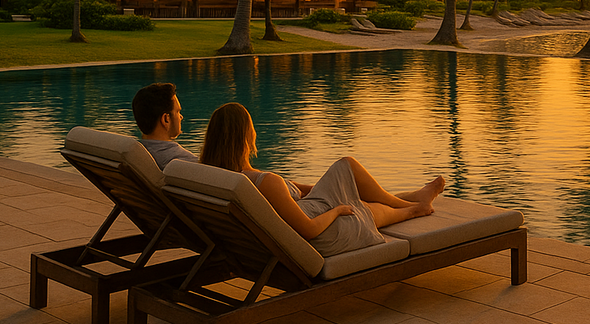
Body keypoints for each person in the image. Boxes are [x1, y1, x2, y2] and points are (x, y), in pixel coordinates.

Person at [199, 102, 445, 256]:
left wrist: (326, 190)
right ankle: (413, 208)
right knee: (352, 178)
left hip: (298, 218)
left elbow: (287, 195)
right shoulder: (265, 182)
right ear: (246, 136)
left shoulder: (214, 178)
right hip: (322, 230)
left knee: (348, 180)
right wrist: (336, 210)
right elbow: (308, 230)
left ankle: (412, 198)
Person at [132, 82, 198, 169]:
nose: (181, 117)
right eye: (177, 112)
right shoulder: (188, 162)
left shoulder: (131, 154)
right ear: (166, 119)